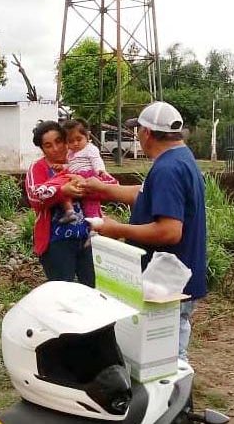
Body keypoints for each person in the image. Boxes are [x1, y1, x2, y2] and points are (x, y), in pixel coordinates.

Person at [84, 102, 207, 361]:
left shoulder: (167, 170)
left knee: (165, 359)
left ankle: (177, 387)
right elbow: (146, 194)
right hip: (177, 278)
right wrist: (102, 189)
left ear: (147, 133)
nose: (137, 135)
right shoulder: (181, 158)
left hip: (166, 284)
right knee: (167, 353)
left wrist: (117, 229)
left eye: (138, 129)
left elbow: (170, 231)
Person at [25, 120, 117, 287]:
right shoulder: (38, 167)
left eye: (59, 141)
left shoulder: (83, 160)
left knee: (93, 289)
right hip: (55, 242)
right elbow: (34, 198)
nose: (55, 148)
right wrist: (62, 191)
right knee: (62, 291)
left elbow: (112, 186)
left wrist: (85, 185)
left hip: (89, 237)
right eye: (48, 145)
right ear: (42, 149)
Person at [56, 118, 110, 223]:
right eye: (70, 141)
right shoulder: (70, 153)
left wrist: (100, 171)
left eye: (79, 139)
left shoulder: (90, 149)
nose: (75, 143)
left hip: (87, 178)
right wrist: (62, 167)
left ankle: (95, 225)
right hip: (74, 178)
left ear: (87, 136)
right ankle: (70, 211)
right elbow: (72, 165)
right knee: (63, 192)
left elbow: (96, 160)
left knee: (90, 203)